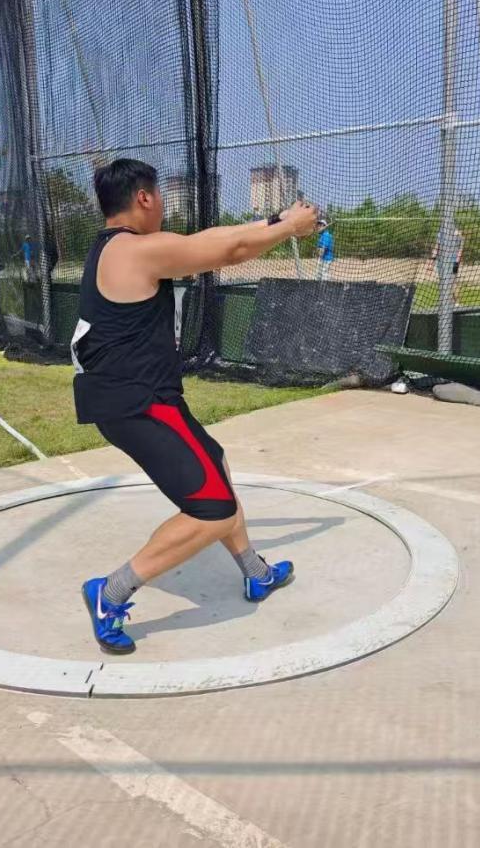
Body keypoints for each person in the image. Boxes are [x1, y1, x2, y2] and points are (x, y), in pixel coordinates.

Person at [73, 158, 320, 654]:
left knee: (216, 464)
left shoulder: (116, 247)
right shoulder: (134, 250)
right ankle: (110, 592)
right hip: (140, 404)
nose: (163, 206)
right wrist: (290, 228)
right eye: (159, 197)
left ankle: (255, 572)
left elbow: (214, 237)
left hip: (140, 398)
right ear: (143, 198)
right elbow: (230, 249)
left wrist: (275, 220)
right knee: (213, 509)